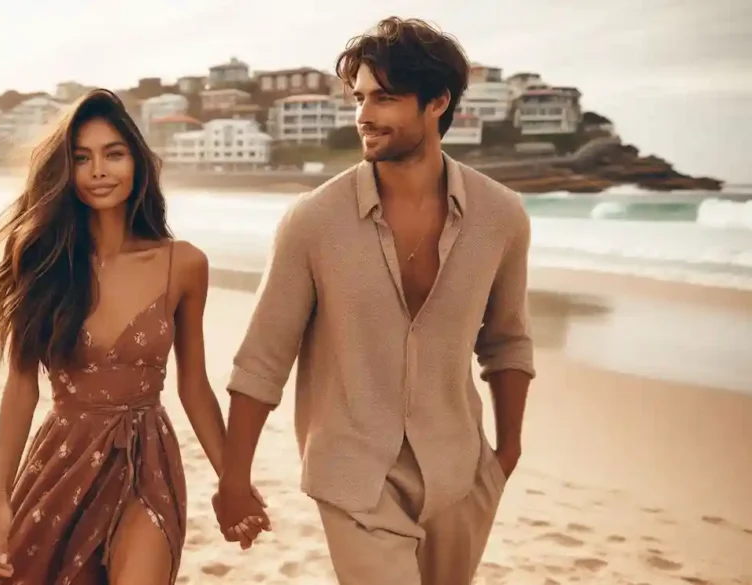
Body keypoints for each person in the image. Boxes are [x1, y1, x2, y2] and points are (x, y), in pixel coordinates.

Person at [212, 16, 535, 585]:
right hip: (352, 473)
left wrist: (504, 455)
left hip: (459, 472)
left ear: (438, 102)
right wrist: (234, 480)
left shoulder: (501, 216)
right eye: (360, 97)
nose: (364, 115)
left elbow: (507, 341)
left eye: (384, 98)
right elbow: (262, 358)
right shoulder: (313, 220)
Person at [0, 89, 266, 585]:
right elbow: (22, 387)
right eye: (82, 158)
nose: (99, 171)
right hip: (63, 463)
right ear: (66, 171)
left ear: (138, 162)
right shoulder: (41, 263)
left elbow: (193, 386)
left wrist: (232, 480)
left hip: (147, 461)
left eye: (114, 153)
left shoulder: (184, 264)